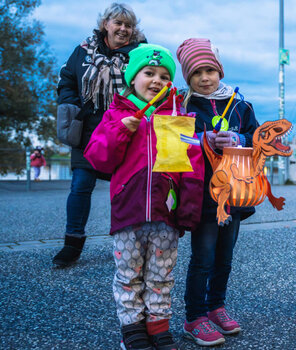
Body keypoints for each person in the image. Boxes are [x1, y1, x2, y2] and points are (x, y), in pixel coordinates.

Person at [84, 43, 204, 350]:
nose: (157, 81)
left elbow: (189, 165)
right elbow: (99, 159)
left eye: (165, 76)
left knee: (161, 276)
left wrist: (188, 210)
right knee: (129, 274)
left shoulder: (176, 115)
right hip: (129, 213)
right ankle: (133, 329)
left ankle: (159, 327)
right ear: (132, 78)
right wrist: (120, 131)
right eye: (148, 73)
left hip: (166, 213)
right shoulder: (116, 114)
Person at [177, 38, 259, 347]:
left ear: (220, 70)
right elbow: (176, 139)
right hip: (203, 195)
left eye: (210, 70)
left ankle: (216, 307)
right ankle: (194, 316)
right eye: (196, 73)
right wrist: (202, 138)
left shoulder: (240, 105)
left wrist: (237, 138)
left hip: (234, 194)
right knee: (203, 258)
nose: (205, 78)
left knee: (225, 257)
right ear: (188, 78)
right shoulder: (184, 104)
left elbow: (258, 137)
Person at [53, 3, 146, 268]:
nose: (123, 29)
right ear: (106, 24)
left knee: (128, 188)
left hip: (125, 128)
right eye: (118, 23)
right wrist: (70, 103)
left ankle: (130, 243)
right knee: (81, 186)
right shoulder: (82, 51)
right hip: (89, 130)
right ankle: (72, 245)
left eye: (128, 25)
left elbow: (150, 84)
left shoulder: (140, 53)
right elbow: (67, 79)